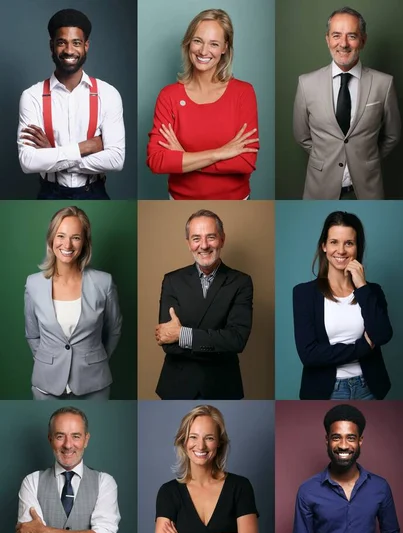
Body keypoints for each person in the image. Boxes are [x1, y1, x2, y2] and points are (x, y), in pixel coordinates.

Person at [146, 9, 259, 200]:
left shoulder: (243, 93)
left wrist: (184, 157)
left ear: (224, 48)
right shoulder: (169, 96)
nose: (203, 51)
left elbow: (245, 162)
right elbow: (157, 161)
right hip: (180, 201)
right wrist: (220, 153)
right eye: (198, 41)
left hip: (235, 201)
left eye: (214, 44)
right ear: (188, 42)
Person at [292, 404, 400, 533]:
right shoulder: (308, 491)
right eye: (336, 437)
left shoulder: (380, 487)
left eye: (350, 437)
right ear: (327, 440)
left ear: (360, 441)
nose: (343, 445)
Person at [293, 6, 400, 200]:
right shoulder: (306, 83)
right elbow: (302, 136)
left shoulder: (384, 84)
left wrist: (365, 158)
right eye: (336, 35)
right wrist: (326, 156)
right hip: (319, 190)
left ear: (363, 40)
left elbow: (392, 135)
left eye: (351, 36)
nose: (343, 44)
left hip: (368, 191)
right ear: (327, 40)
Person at [17, 9, 125, 199]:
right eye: (61, 43)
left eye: (76, 43)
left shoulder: (108, 94)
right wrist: (85, 147)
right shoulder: (32, 96)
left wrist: (52, 154)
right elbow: (28, 162)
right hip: (50, 192)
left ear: (86, 46)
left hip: (94, 192)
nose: (69, 50)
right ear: (52, 46)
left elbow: (116, 160)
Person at [155, 405, 259, 533]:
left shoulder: (240, 486)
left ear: (219, 443)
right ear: (183, 441)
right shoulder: (168, 492)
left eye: (209, 438)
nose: (200, 446)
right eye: (193, 437)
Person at [16, 406, 120, 533]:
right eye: (60, 436)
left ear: (86, 439)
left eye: (76, 436)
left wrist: (43, 532)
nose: (68, 445)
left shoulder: (105, 482)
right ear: (50, 439)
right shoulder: (31, 482)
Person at [24, 206, 122, 400]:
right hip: (46, 386)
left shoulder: (104, 282)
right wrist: (51, 362)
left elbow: (114, 330)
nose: (67, 244)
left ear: (85, 242)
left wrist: (94, 360)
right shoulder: (33, 284)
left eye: (76, 237)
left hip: (94, 385)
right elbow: (32, 334)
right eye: (61, 236)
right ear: (51, 239)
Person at [293, 211, 392, 400]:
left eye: (349, 243)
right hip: (325, 390)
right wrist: (363, 347)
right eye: (334, 242)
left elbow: (383, 334)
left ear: (357, 247)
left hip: (369, 387)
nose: (341, 250)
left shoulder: (372, 291)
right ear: (323, 246)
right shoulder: (303, 293)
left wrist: (362, 286)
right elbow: (309, 355)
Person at [155, 209, 253, 399]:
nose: (204, 246)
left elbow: (236, 340)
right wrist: (216, 343)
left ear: (222, 239)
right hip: (177, 385)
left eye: (211, 237)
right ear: (188, 243)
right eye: (196, 238)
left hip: (222, 386)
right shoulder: (172, 280)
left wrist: (182, 334)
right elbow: (168, 344)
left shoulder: (241, 282)